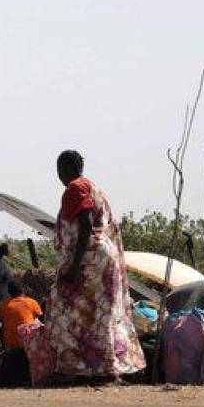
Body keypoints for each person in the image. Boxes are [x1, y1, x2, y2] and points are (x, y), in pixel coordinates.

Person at [46, 150, 145, 383]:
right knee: (101, 316)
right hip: (103, 258)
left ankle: (72, 368)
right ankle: (105, 369)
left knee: (62, 308)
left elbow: (84, 224)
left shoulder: (75, 188)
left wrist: (74, 266)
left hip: (89, 260)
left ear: (63, 169)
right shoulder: (95, 189)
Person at [0, 279, 44, 350]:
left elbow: (2, 320)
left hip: (10, 343)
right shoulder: (31, 302)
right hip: (28, 342)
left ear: (9, 292)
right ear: (22, 290)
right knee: (36, 320)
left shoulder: (3, 305)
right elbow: (41, 317)